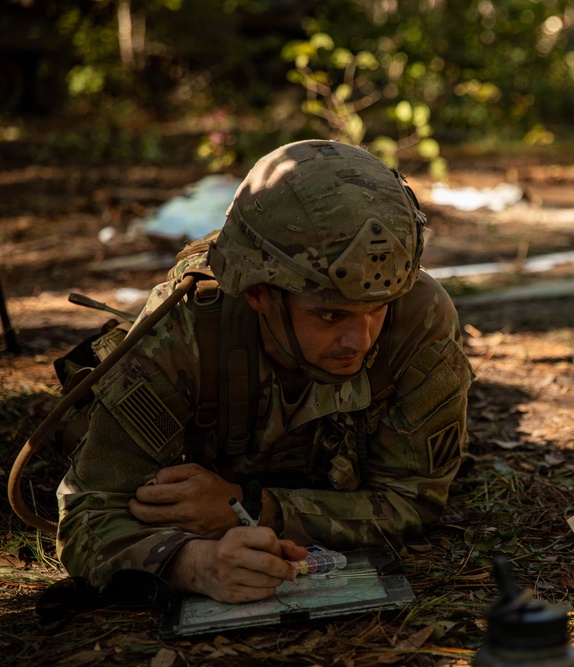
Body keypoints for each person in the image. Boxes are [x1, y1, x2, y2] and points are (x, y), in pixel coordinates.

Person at [56, 140, 474, 604]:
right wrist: (193, 564)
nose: (361, 340)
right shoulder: (185, 333)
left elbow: (413, 498)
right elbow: (87, 514)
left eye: (377, 310)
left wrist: (250, 509)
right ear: (259, 294)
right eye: (331, 316)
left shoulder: (417, 315)